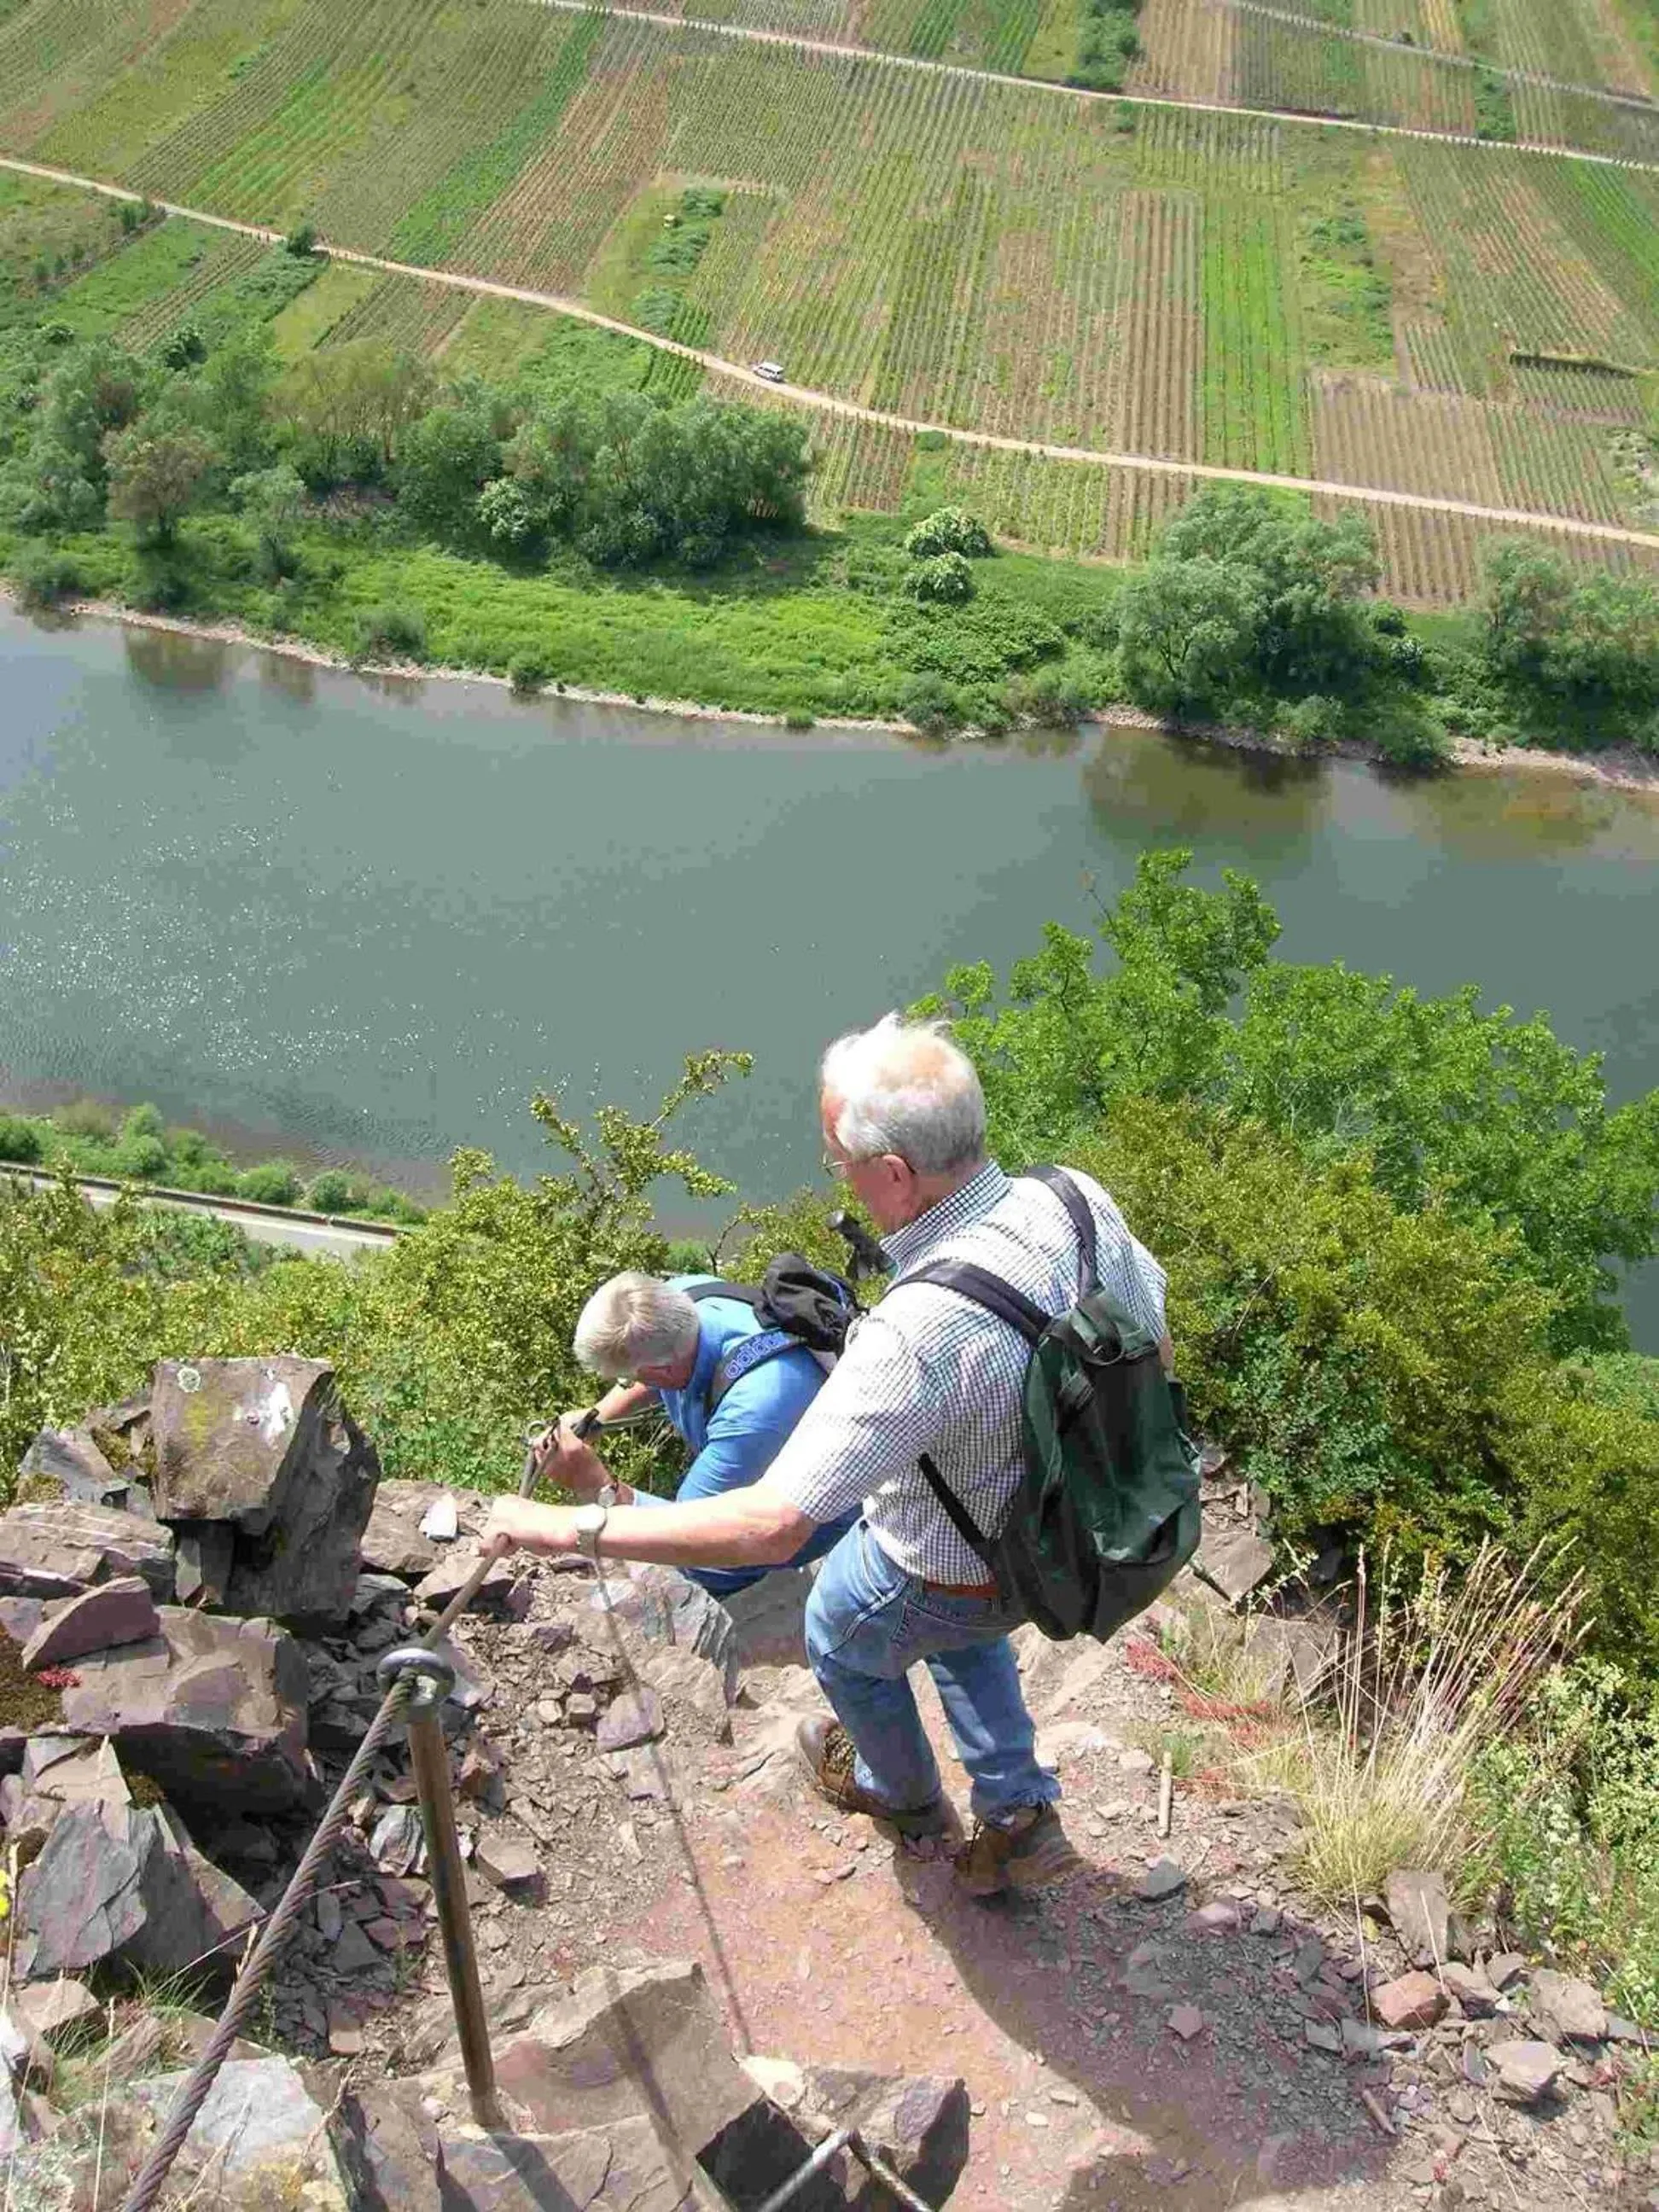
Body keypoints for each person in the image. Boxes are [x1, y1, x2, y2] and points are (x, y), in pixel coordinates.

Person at [486, 1015, 1172, 1895]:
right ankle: (1015, 1809)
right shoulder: (1074, 1198)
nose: (836, 1179)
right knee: (964, 1630)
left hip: (954, 1565)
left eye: (837, 1164)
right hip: (1085, 1522)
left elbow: (771, 1527)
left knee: (840, 1634)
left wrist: (557, 1526)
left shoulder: (915, 1330)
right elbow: (1149, 1334)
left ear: (894, 1175)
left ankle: (905, 1796)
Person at [537, 1270, 857, 1597]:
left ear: (664, 1370)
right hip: (757, 1446)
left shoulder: (757, 1409)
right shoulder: (679, 1299)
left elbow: (686, 1537)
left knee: (691, 1570)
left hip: (817, 1522)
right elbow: (648, 1371)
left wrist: (594, 1483)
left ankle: (751, 1608)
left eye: (628, 1376)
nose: (628, 1383)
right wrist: (596, 1417)